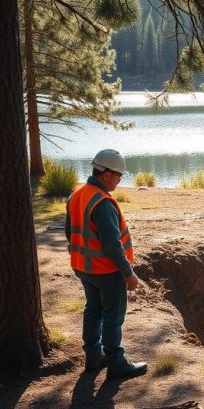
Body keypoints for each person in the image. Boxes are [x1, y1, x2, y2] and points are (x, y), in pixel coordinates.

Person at [65, 149, 148, 380]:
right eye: (119, 175)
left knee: (93, 310)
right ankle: (116, 362)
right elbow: (112, 245)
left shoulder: (78, 194)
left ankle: (93, 356)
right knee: (113, 315)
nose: (120, 179)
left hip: (83, 267)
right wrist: (128, 272)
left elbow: (69, 231)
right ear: (107, 174)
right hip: (106, 270)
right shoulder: (102, 203)